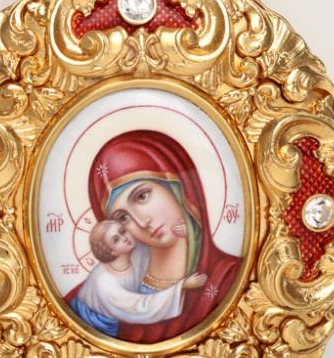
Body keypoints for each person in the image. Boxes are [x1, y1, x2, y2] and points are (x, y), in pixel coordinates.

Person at [66, 129, 240, 343]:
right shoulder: (96, 302)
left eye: (142, 196)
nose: (141, 223)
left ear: (178, 188)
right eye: (123, 218)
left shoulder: (230, 280)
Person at [69, 219, 207, 337]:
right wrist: (182, 286)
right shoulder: (104, 282)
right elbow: (141, 307)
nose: (124, 238)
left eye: (123, 231)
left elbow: (162, 248)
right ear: (112, 251)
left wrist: (190, 231)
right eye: (116, 240)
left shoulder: (137, 251)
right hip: (95, 326)